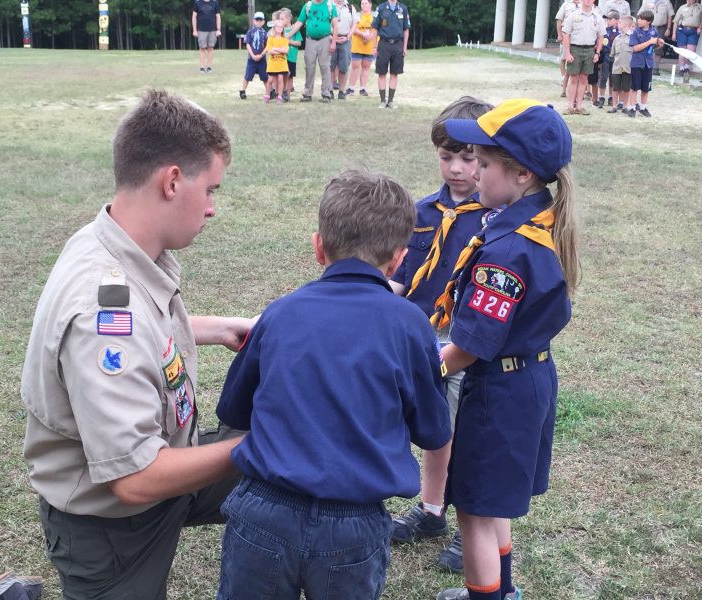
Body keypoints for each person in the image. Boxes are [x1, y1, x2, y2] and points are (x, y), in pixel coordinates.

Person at [22, 89, 255, 599]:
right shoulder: (103, 309)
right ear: (172, 181)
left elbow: (140, 330)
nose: (212, 208)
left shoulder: (110, 239)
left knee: (295, 468)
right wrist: (262, 446)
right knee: (276, 454)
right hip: (115, 524)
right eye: (211, 189)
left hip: (165, 466)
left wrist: (219, 328)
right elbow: (135, 477)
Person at [215, 169, 453, 600]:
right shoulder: (412, 326)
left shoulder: (280, 313)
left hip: (263, 511)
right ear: (400, 259)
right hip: (355, 524)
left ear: (318, 247)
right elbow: (434, 430)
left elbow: (232, 410)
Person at [434, 99, 579, 600]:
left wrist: (425, 366)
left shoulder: (508, 250)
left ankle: (485, 597)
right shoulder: (539, 221)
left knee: (473, 509)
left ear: (521, 174)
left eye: (483, 162)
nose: (472, 172)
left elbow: (471, 346)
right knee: (492, 499)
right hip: (528, 377)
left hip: (500, 389)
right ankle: (504, 590)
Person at [388, 96, 494, 576]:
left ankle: (473, 526)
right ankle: (431, 512)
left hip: (467, 340)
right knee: (434, 431)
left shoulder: (494, 218)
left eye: (469, 158)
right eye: (446, 156)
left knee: (469, 436)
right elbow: (402, 275)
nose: (456, 168)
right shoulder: (422, 210)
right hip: (418, 335)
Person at [287, 0, 339, 103]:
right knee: (309, 67)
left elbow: (335, 25)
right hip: (310, 39)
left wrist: (333, 42)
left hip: (325, 39)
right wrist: (287, 36)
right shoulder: (308, 6)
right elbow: (299, 23)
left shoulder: (330, 5)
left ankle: (326, 94)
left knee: (325, 67)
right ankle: (307, 94)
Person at [562, 0, 605, 115]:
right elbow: (566, 34)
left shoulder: (598, 17)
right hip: (575, 48)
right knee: (574, 78)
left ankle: (580, 106)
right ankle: (571, 106)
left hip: (590, 49)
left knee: (584, 79)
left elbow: (601, 36)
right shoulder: (573, 15)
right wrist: (567, 53)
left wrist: (597, 52)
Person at [371, 0, 411, 109]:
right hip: (384, 44)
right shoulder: (381, 8)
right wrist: (374, 46)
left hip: (398, 44)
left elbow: (406, 29)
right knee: (381, 73)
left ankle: (391, 101)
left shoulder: (403, 8)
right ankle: (383, 101)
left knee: (395, 73)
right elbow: (374, 28)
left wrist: (405, 47)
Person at [628, 10, 663, 117]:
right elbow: (635, 48)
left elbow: (653, 47)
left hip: (648, 63)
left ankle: (643, 108)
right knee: (634, 87)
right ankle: (632, 108)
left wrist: (659, 44)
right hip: (637, 63)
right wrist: (649, 42)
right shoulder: (635, 32)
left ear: (649, 21)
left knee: (646, 88)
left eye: (642, 19)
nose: (639, 20)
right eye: (639, 18)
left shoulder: (654, 31)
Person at [672, 0, 702, 84]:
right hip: (683, 30)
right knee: (682, 51)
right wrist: (674, 33)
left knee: (690, 51)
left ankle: (687, 68)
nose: (688, 0)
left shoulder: (699, 7)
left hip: (693, 30)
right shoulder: (682, 7)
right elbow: (676, 21)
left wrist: (700, 27)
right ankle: (681, 69)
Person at [347, 0, 376, 96]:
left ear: (370, 4)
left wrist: (369, 37)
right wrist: (363, 34)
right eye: (362, 4)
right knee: (355, 67)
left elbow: (376, 29)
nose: (364, 5)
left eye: (366, 3)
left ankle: (363, 88)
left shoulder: (374, 16)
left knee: (366, 67)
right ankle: (351, 88)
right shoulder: (357, 15)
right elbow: (353, 28)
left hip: (369, 46)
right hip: (357, 46)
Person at [239, 12, 270, 100]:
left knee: (265, 77)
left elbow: (268, 45)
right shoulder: (250, 32)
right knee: (247, 76)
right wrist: (252, 55)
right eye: (257, 20)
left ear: (263, 22)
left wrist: (261, 54)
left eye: (261, 20)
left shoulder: (265, 33)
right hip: (251, 59)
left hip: (262, 59)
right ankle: (242, 91)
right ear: (253, 21)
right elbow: (248, 44)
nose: (259, 22)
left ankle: (269, 92)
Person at [608, 15, 635, 113]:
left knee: (626, 88)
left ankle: (624, 106)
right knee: (615, 87)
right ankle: (614, 106)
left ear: (626, 24)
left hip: (628, 66)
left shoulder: (633, 38)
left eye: (620, 23)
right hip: (617, 66)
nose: (618, 24)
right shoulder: (617, 38)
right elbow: (613, 53)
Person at [329, 0, 356, 99]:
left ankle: (341, 91)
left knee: (344, 67)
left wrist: (348, 37)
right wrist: (333, 38)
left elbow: (354, 24)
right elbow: (325, 23)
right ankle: (330, 90)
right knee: (330, 67)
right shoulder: (328, 6)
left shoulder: (350, 7)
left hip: (345, 40)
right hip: (331, 39)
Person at [640, 0, 674, 74]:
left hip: (661, 28)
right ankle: (645, 66)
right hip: (648, 27)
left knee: (659, 48)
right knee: (646, 47)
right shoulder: (646, 1)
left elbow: (670, 16)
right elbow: (640, 14)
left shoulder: (666, 2)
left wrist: (668, 29)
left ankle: (655, 68)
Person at [555, 0, 581, 98]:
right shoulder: (566, 5)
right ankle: (563, 82)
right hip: (566, 35)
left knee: (577, 63)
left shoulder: (584, 5)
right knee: (563, 58)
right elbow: (559, 20)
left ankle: (578, 90)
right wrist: (559, 35)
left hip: (579, 38)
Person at [594, 11, 621, 107]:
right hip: (605, 57)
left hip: (616, 59)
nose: (608, 21)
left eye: (610, 19)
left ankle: (611, 97)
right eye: (607, 19)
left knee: (613, 79)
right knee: (603, 78)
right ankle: (601, 97)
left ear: (617, 20)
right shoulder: (604, 31)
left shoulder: (620, 32)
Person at [192, 0, 221, 73]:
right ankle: (202, 67)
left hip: (212, 29)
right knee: (202, 48)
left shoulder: (215, 3)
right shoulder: (197, 2)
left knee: (211, 48)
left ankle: (209, 67)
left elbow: (218, 17)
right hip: (201, 29)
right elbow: (194, 17)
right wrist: (195, 30)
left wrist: (218, 29)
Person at [265, 19, 290, 104]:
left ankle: (279, 96)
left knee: (280, 79)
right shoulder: (270, 39)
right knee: (270, 80)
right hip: (272, 64)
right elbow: (269, 51)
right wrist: (280, 50)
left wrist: (275, 48)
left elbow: (286, 51)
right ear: (274, 28)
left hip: (282, 64)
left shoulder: (284, 40)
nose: (279, 28)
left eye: (281, 27)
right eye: (278, 26)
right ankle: (267, 95)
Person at [281, 7, 303, 101]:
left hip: (292, 57)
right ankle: (281, 92)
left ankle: (288, 95)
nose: (280, 21)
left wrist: (289, 42)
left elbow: (299, 43)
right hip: (282, 57)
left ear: (288, 18)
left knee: (290, 76)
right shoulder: (280, 30)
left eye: (282, 19)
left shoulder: (295, 29)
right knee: (282, 75)